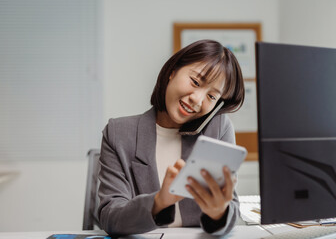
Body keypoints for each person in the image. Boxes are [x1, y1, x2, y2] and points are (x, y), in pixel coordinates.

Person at [98, 39, 245, 236]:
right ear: (172, 72)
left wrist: (219, 212)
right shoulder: (119, 133)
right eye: (195, 82)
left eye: (212, 97)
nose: (198, 99)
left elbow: (231, 206)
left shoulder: (218, 129)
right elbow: (110, 217)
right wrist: (160, 201)